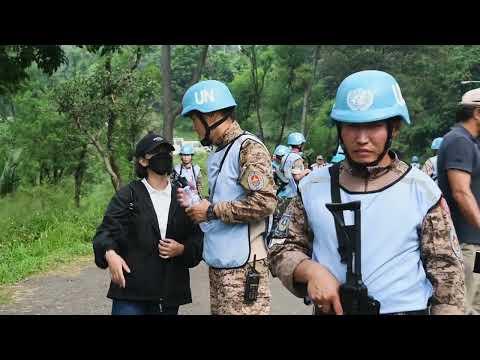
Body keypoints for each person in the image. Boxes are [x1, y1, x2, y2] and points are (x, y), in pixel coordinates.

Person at [268, 70, 465, 315]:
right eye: (352, 126)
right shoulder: (312, 187)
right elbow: (280, 249)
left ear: (394, 128)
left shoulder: (421, 189)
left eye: (373, 126)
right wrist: (310, 271)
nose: (362, 139)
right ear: (339, 129)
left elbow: (447, 274)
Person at [178, 80, 277, 315]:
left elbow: (265, 202)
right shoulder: (221, 151)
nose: (194, 128)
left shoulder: (248, 148)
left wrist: (211, 211)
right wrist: (199, 207)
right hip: (222, 264)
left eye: (194, 121)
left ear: (210, 116)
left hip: (244, 268)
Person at [92, 133, 203, 315]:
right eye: (157, 152)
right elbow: (105, 233)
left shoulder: (183, 198)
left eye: (167, 151)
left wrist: (182, 249)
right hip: (131, 292)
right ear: (143, 161)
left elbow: (198, 239)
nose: (164, 156)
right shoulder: (128, 196)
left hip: (169, 293)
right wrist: (109, 253)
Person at [438, 88, 480, 315]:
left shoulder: (471, 143)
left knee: (476, 303)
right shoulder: (459, 141)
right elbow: (461, 192)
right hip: (466, 245)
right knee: (462, 307)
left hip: (476, 245)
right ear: (477, 113)